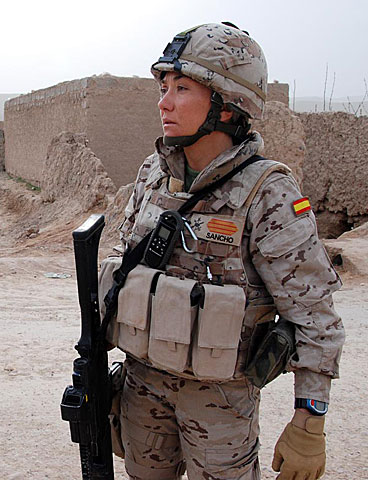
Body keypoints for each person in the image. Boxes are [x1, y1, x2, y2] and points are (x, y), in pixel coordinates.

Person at [109, 23, 344, 479]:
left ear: (228, 103)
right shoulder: (153, 175)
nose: (164, 101)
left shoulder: (268, 193)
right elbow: (122, 270)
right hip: (142, 386)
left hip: (218, 405)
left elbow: (314, 315)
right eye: (164, 87)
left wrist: (309, 423)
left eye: (182, 88)